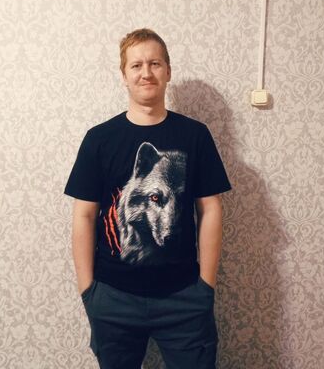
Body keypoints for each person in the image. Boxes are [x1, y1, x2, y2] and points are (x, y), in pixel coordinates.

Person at [64, 28, 231, 369]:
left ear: (168, 71)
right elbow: (84, 215)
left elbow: (210, 210)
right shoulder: (100, 139)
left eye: (155, 63)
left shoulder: (195, 136)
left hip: (185, 296)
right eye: (136, 65)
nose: (146, 72)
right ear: (123, 75)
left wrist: (205, 287)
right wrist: (89, 292)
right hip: (113, 297)